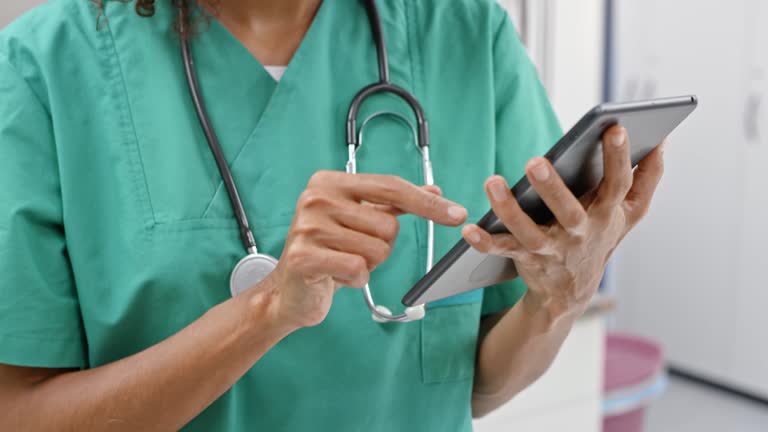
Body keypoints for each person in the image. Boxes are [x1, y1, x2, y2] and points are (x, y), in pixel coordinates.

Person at [0, 0, 665, 431]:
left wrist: (558, 300)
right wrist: (268, 312)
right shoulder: (45, 64)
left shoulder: (463, 34)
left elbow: (474, 385)